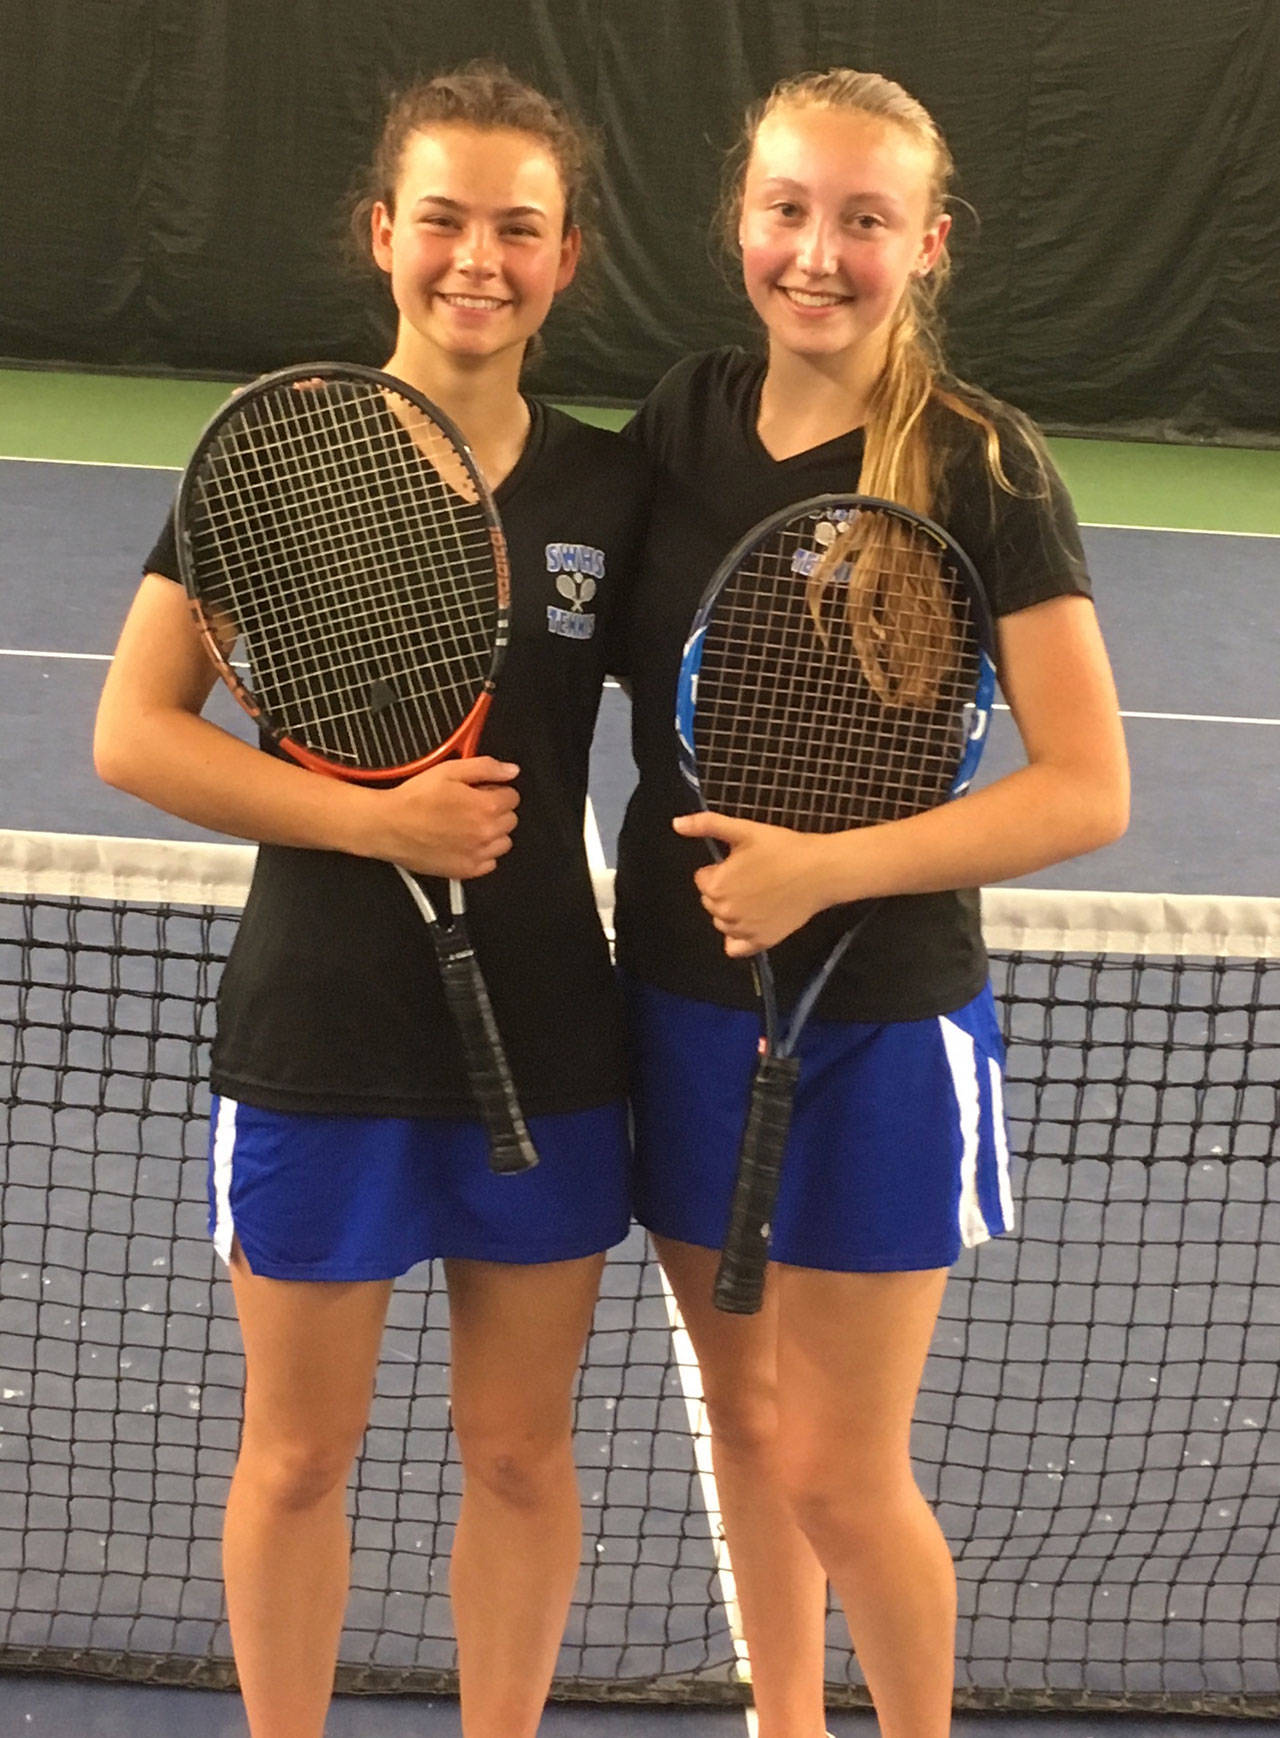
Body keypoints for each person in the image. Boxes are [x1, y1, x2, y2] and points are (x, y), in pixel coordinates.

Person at [94, 63, 648, 1738]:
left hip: (550, 1031)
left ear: (570, 259)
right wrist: (374, 818)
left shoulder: (608, 492)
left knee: (518, 1450)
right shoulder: (280, 460)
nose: (477, 258)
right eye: (443, 220)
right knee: (299, 1452)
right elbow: (134, 733)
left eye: (519, 228)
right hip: (319, 1026)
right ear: (380, 234)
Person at [614, 68, 1129, 1738]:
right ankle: (786, 1721)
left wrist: (820, 870)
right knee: (744, 1419)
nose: (816, 253)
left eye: (861, 219)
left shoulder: (982, 464)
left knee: (842, 1461)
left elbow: (1084, 787)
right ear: (739, 220)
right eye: (786, 209)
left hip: (882, 1024)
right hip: (684, 1006)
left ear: (930, 243)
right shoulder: (683, 418)